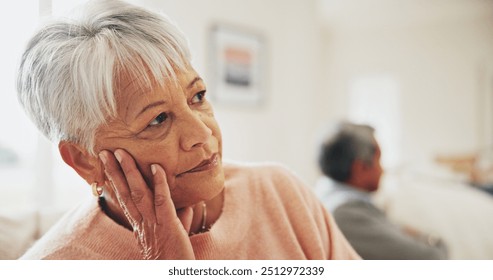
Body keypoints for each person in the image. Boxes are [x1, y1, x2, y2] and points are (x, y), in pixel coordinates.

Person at [16, 0, 359, 260]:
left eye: (197, 97)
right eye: (158, 119)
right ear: (84, 160)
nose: (203, 133)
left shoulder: (280, 193)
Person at [315, 121, 448, 260]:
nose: (383, 170)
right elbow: (432, 259)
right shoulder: (346, 215)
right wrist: (435, 241)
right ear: (360, 168)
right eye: (379, 160)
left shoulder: (326, 197)